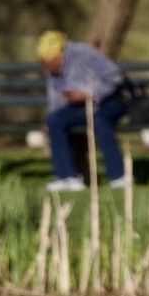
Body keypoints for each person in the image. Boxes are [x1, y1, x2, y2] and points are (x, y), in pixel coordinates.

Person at [36, 30, 128, 191]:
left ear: (59, 57)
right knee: (54, 121)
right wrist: (51, 116)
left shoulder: (85, 54)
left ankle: (118, 177)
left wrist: (88, 94)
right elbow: (56, 97)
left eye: (47, 64)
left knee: (100, 121)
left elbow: (115, 78)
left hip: (109, 102)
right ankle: (68, 178)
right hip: (81, 107)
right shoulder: (53, 70)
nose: (45, 69)